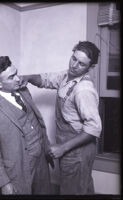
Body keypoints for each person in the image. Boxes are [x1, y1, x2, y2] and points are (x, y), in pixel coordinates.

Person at [20, 41, 102, 195]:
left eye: (81, 64)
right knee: (82, 188)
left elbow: (94, 128)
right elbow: (46, 79)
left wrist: (62, 147)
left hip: (78, 150)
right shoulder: (67, 76)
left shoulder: (84, 90)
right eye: (74, 58)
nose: (74, 65)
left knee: (72, 190)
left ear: (90, 68)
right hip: (70, 148)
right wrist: (28, 77)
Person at [0, 56, 54, 195]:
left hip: (42, 160)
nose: (17, 79)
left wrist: (45, 146)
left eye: (16, 73)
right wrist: (4, 183)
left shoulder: (24, 90)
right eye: (11, 77)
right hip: (19, 168)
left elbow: (35, 120)